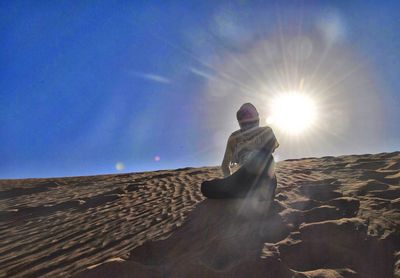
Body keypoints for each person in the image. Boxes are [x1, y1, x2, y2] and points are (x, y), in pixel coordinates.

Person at [201, 103, 279, 202]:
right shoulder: (234, 137)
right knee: (205, 187)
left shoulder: (266, 131)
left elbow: (268, 154)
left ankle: (254, 191)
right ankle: (243, 191)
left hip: (265, 177)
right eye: (243, 116)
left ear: (256, 117)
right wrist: (229, 181)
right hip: (243, 177)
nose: (247, 119)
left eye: (250, 115)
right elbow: (225, 164)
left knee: (263, 157)